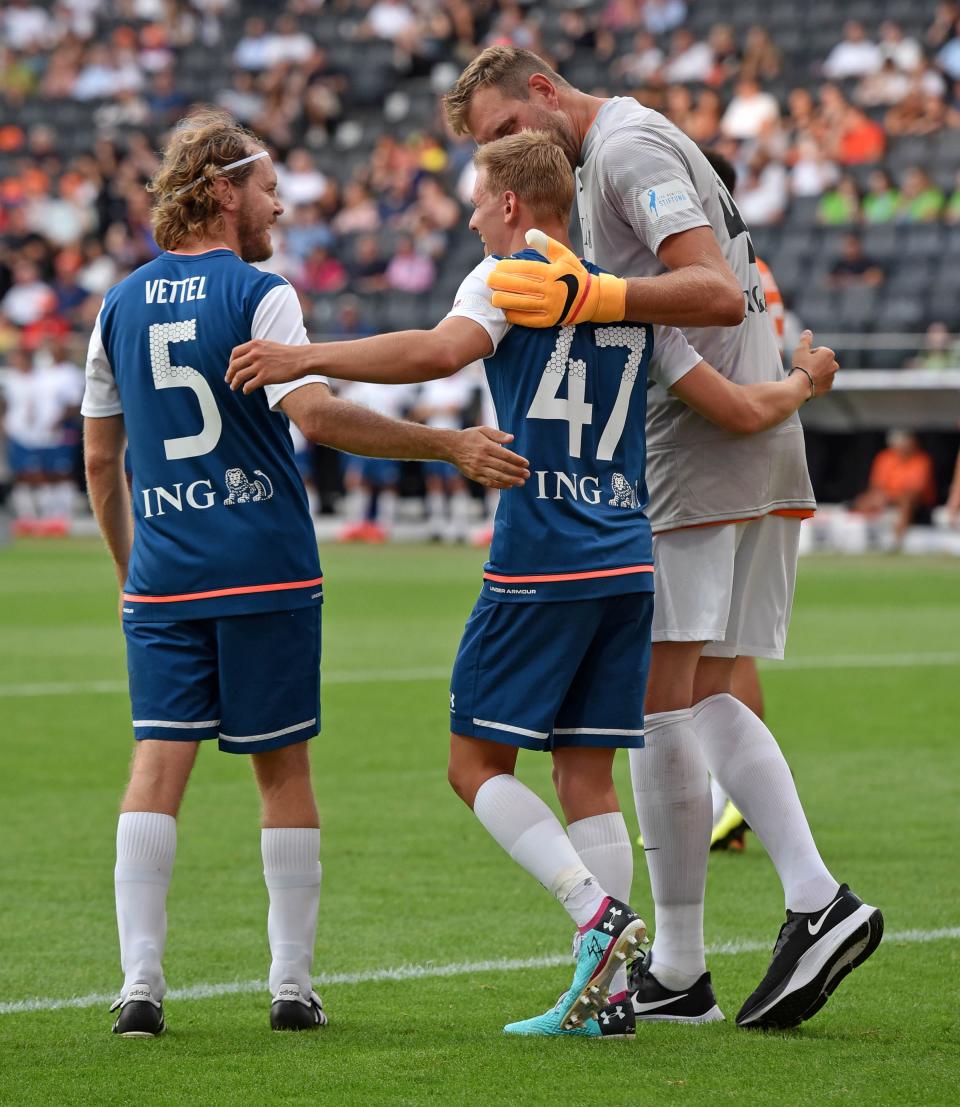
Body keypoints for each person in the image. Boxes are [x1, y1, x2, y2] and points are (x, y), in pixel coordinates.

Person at [225, 130, 840, 1038]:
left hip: (542, 553)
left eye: (478, 198)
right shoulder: (632, 299)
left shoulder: (510, 274)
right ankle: (612, 997)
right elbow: (740, 410)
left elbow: (438, 354)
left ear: (512, 204)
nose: (472, 216)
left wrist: (307, 356)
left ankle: (593, 911)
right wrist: (803, 382)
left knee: (473, 765)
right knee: (586, 772)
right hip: (631, 555)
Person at [443, 46, 883, 1033]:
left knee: (656, 706)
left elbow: (712, 292)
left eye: (507, 130)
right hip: (740, 425)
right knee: (701, 692)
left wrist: (595, 297)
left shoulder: (627, 148)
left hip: (693, 446)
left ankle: (718, 947)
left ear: (545, 93)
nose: (507, 157)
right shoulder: (631, 144)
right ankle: (774, 919)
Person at [81, 109, 528, 1039]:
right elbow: (317, 418)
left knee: (155, 768)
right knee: (282, 770)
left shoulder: (116, 304)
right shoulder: (259, 292)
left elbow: (98, 461)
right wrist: (447, 444)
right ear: (222, 191)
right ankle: (290, 985)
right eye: (269, 188)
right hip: (265, 566)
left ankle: (139, 988)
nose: (279, 206)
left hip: (164, 572)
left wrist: (136, 572)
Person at [853, 430, 938, 548]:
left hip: (917, 502)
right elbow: (877, 486)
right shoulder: (885, 457)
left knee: (906, 500)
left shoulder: (921, 460)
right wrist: (882, 497)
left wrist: (889, 496)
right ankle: (864, 540)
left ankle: (896, 542)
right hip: (888, 497)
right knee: (863, 501)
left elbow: (915, 491)